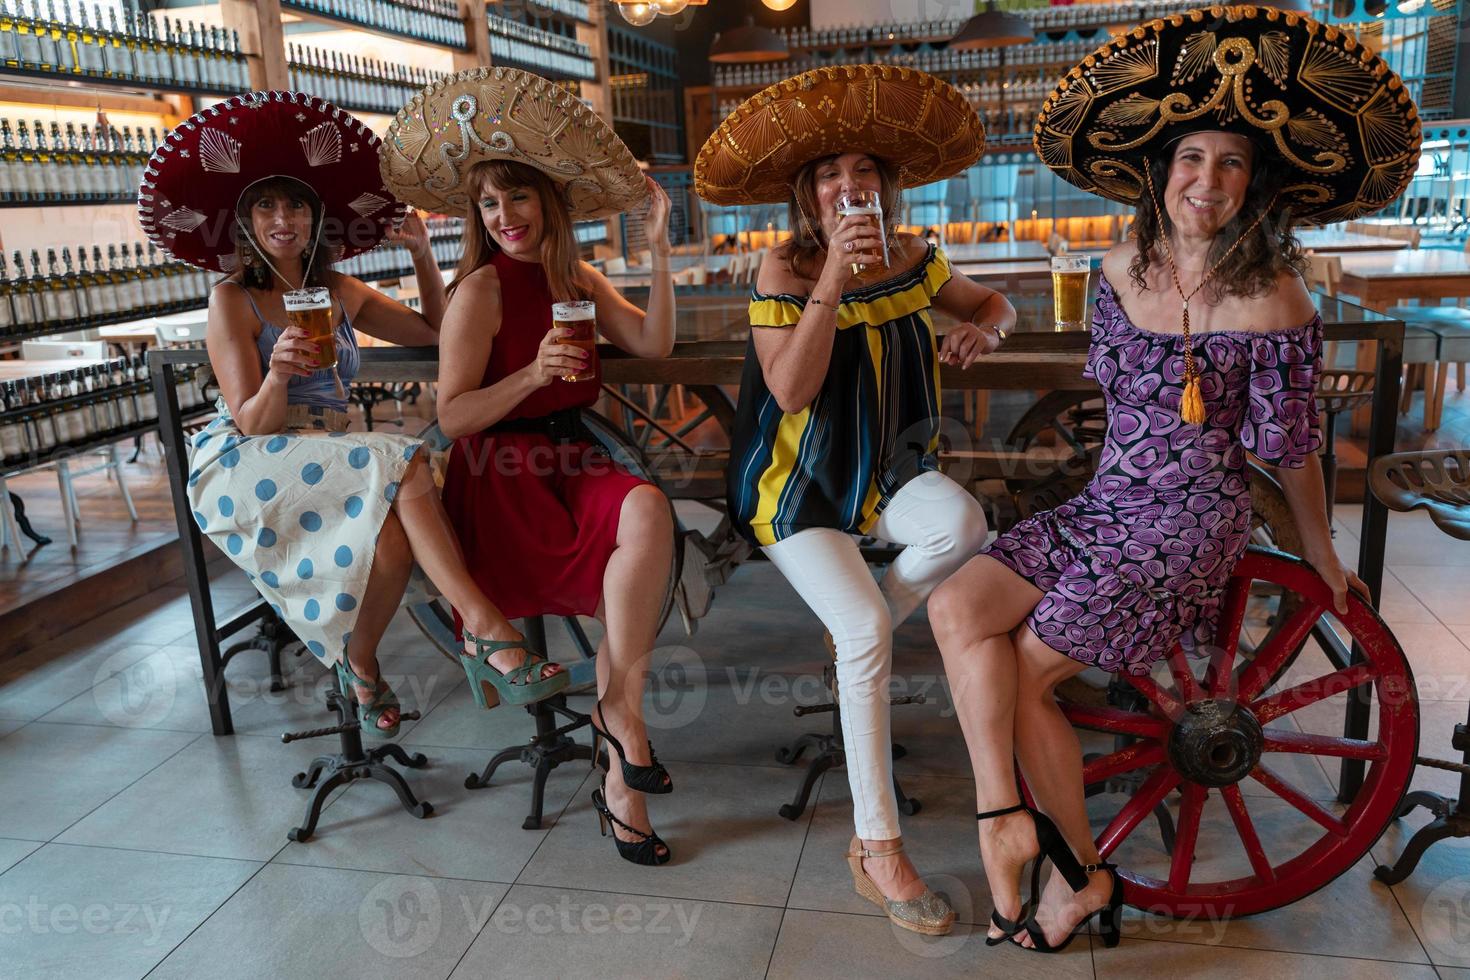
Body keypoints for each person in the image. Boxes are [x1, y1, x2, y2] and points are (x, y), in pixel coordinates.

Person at [928, 5, 1420, 952]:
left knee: (1026, 674)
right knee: (956, 609)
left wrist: (1319, 549)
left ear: (1256, 184)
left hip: (1190, 522)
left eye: (1232, 163)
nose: (1208, 180)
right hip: (1109, 504)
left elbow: (1290, 446)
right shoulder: (1117, 268)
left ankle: (1074, 879)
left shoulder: (1277, 297)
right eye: (1192, 159)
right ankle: (1005, 820)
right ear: (1161, 171)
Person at [695, 64, 1009, 937]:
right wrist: (831, 274)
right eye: (830, 175)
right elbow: (791, 392)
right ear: (808, 193)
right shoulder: (782, 267)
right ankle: (878, 849)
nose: (849, 186)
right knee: (871, 632)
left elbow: (992, 300)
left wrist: (987, 325)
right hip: (795, 488)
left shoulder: (918, 256)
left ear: (886, 185)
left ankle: (856, 626)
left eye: (863, 171)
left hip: (890, 478)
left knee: (965, 524)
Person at [141, 91, 532, 737]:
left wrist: (421, 255)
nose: (282, 216)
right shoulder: (232, 299)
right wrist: (279, 373)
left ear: (316, 215)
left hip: (329, 450)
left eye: (295, 202)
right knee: (405, 459)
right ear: (245, 222)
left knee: (396, 540)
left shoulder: (339, 290)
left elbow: (437, 332)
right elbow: (252, 422)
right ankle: (485, 628)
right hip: (249, 455)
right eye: (265, 204)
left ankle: (360, 665)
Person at [382, 68, 678, 865]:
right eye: (487, 203)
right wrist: (534, 376)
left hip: (573, 457)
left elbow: (653, 345)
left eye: (517, 197)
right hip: (502, 475)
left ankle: (619, 718)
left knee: (649, 510)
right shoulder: (480, 290)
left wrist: (656, 254)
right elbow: (452, 418)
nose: (504, 216)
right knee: (635, 530)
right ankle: (624, 764)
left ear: (549, 203)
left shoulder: (575, 278)